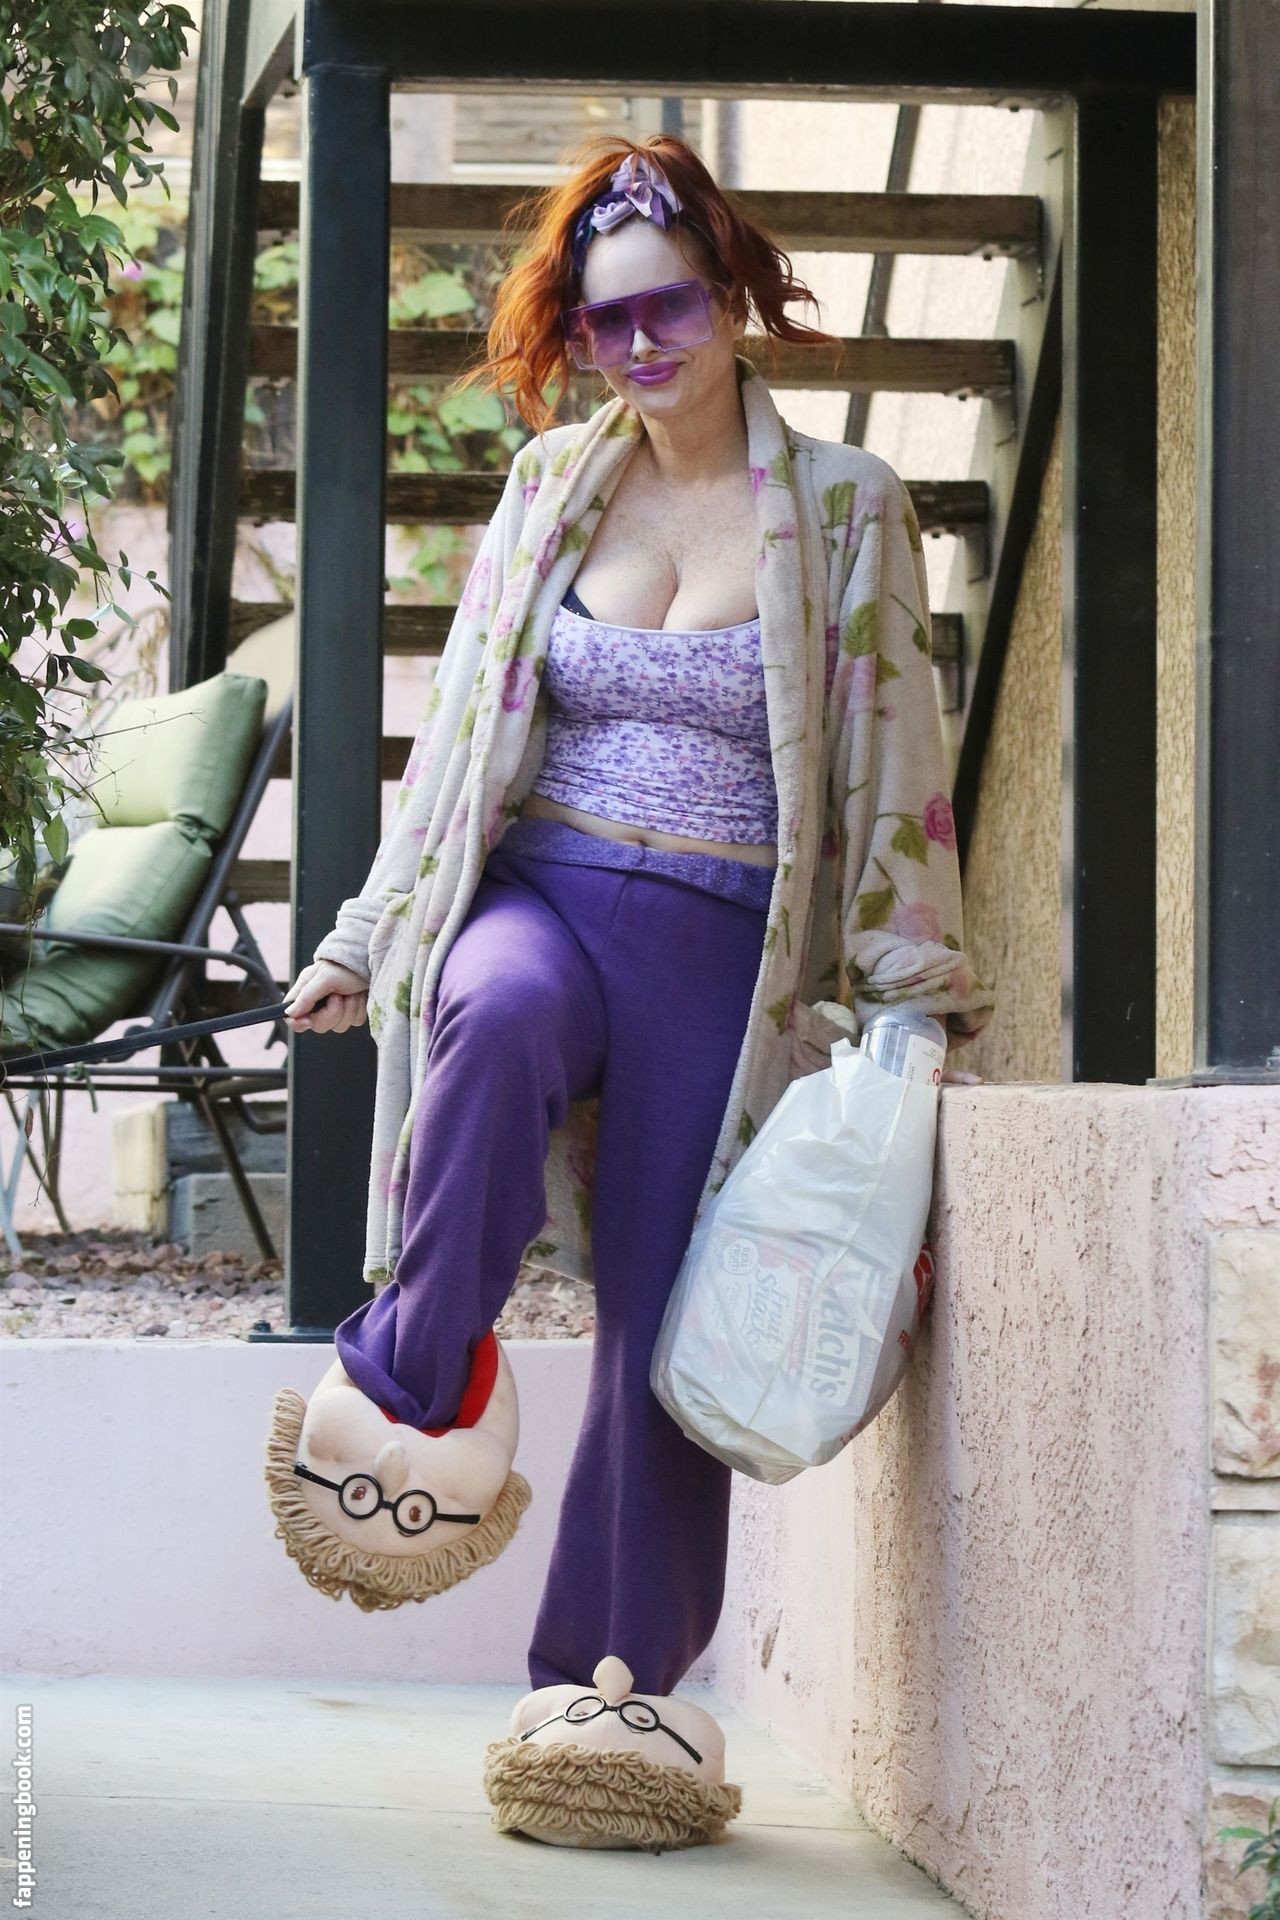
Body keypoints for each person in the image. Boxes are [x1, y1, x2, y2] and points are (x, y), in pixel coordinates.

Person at [271, 135, 994, 1848]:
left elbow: (896, 758)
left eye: (668, 307)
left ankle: (606, 1701)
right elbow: (461, 733)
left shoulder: (846, 508)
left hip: (723, 941)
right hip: (546, 890)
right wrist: (367, 933)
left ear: (731, 300)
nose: (641, 344)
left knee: (661, 1315)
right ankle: (412, 1377)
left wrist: (911, 1006)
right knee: (493, 1016)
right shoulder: (550, 489)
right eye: (607, 322)